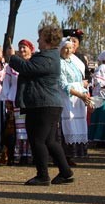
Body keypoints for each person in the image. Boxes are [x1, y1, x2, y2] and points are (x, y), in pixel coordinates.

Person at [8, 24, 75, 186]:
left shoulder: (48, 57)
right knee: (50, 141)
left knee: (37, 140)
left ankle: (42, 175)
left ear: (47, 39)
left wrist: (12, 57)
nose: (37, 39)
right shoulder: (48, 56)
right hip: (48, 104)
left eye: (40, 37)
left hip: (42, 104)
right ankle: (65, 172)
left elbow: (27, 68)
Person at [58, 37, 91, 162]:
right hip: (67, 97)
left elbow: (80, 80)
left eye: (70, 48)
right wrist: (79, 94)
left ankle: (77, 152)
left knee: (79, 124)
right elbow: (63, 84)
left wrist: (85, 95)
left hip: (79, 98)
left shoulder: (74, 62)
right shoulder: (59, 63)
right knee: (68, 124)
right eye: (65, 48)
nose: (68, 50)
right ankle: (65, 156)